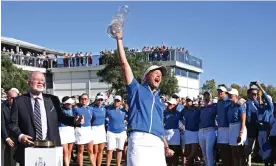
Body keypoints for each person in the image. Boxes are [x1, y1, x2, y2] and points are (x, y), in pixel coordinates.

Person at [114, 31, 174, 166]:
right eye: (156, 73)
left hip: (158, 143)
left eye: (161, 74)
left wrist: (166, 146)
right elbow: (124, 65)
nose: (159, 76)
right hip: (139, 140)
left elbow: (159, 125)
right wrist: (119, 39)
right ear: (147, 76)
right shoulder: (136, 89)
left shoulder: (160, 100)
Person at [9, 71, 84, 166]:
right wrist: (20, 136)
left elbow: (61, 117)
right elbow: (12, 124)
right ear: (28, 82)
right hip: (28, 149)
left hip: (51, 148)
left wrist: (74, 121)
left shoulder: (53, 100)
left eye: (42, 80)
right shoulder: (19, 101)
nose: (40, 82)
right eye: (37, 80)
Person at [74, 93, 96, 166]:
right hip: (80, 130)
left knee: (90, 150)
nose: (83, 100)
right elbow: (72, 120)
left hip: (88, 130)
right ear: (80, 100)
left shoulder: (91, 109)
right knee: (80, 151)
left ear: (88, 100)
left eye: (85, 99)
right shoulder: (76, 109)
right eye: (82, 99)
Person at [106, 95, 128, 166]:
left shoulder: (124, 110)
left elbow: (131, 115)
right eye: (116, 100)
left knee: (119, 150)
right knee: (110, 150)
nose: (116, 102)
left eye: (118, 101)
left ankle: (118, 165)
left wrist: (125, 105)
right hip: (111, 132)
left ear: (121, 102)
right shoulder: (108, 109)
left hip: (121, 132)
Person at [227, 88, 247, 166]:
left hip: (239, 128)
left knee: (240, 151)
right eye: (229, 94)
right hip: (231, 127)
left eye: (231, 94)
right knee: (234, 152)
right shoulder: (230, 106)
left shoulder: (241, 105)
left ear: (236, 96)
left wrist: (240, 133)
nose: (229, 96)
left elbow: (243, 121)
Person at [198, 92, 217, 166]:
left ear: (211, 97)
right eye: (205, 95)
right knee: (204, 152)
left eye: (208, 95)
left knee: (209, 151)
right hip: (201, 131)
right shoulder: (201, 108)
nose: (206, 97)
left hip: (210, 130)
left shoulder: (214, 106)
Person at [181, 96, 200, 166]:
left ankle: (186, 162)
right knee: (188, 151)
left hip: (195, 131)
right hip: (188, 131)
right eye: (187, 101)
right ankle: (188, 164)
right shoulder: (184, 110)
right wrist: (182, 124)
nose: (188, 102)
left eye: (190, 101)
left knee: (193, 151)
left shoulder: (197, 109)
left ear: (192, 102)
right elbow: (180, 117)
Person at [1, 88, 19, 166]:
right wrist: (7, 138)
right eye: (11, 98)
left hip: (21, 137)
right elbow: (2, 124)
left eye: (15, 98)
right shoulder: (3, 108)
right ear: (8, 97)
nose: (13, 100)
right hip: (10, 138)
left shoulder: (21, 107)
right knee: (10, 161)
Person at [216, 85, 232, 166]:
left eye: (221, 92)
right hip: (220, 129)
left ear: (226, 93)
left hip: (228, 128)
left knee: (228, 150)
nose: (219, 93)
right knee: (221, 149)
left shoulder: (230, 101)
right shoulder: (218, 102)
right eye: (218, 92)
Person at [163, 98, 182, 166]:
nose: (168, 105)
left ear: (174, 105)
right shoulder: (165, 112)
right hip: (166, 133)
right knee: (166, 153)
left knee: (175, 154)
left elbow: (182, 122)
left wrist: (182, 126)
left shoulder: (178, 113)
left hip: (175, 134)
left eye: (170, 104)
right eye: (168, 104)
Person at [59, 96, 77, 166]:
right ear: (64, 103)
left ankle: (68, 164)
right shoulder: (60, 110)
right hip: (62, 130)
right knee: (65, 151)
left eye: (70, 104)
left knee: (69, 151)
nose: (70, 105)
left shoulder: (73, 110)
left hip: (70, 130)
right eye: (68, 104)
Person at [90, 94, 107, 166]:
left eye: (101, 100)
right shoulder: (91, 108)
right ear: (96, 100)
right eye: (98, 99)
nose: (100, 101)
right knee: (95, 151)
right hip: (94, 129)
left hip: (102, 129)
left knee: (101, 150)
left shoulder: (105, 108)